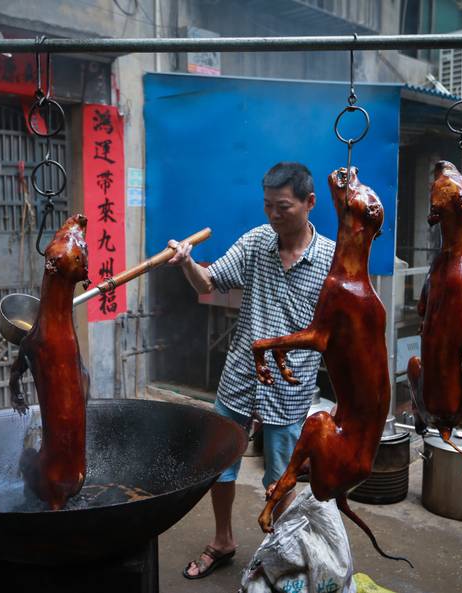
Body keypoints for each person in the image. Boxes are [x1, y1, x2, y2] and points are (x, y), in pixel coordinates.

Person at [169, 162, 335, 580]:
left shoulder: (331, 258)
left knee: (281, 478)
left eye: (283, 207)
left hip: (291, 384)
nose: (274, 216)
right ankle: (223, 540)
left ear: (309, 203)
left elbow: (337, 330)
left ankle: (277, 556)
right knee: (221, 463)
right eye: (268, 207)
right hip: (242, 375)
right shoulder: (257, 242)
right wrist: (187, 262)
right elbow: (208, 282)